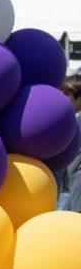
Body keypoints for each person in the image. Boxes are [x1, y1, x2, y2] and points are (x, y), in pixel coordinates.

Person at [60, 76, 81, 212]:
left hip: (77, 175)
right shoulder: (68, 117)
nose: (63, 98)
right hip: (65, 176)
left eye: (67, 94)